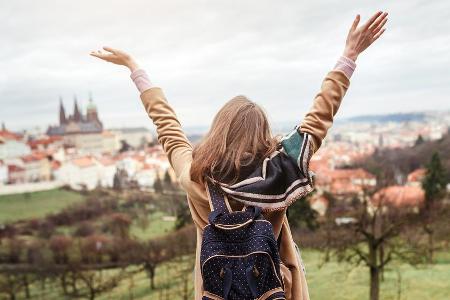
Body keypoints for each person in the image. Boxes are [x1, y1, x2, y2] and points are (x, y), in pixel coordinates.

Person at [91, 11, 388, 300]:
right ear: (262, 136)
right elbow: (317, 121)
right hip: (276, 291)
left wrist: (135, 69)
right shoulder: (276, 172)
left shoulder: (194, 175)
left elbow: (168, 127)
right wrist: (348, 57)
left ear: (218, 131)